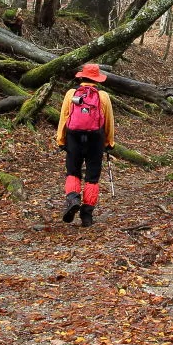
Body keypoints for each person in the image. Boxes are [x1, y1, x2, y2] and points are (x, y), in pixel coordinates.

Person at [56, 62, 115, 227]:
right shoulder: (103, 97)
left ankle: (73, 198)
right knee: (92, 177)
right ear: (97, 80)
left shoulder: (71, 94)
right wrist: (109, 142)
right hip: (96, 139)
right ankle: (86, 215)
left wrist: (61, 139)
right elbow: (109, 121)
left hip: (74, 137)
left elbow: (64, 118)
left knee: (73, 172)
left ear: (82, 77)